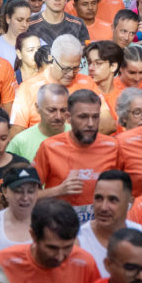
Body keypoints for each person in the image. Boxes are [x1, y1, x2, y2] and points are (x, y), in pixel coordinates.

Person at [35, 89, 120, 222]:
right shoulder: (49, 147)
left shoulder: (113, 146)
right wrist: (58, 190)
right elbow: (28, 195)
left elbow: (128, 192)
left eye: (95, 117)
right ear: (68, 117)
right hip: (60, 227)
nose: (91, 124)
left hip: (100, 228)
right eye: (83, 117)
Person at [76, 171, 142, 276]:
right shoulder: (78, 241)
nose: (103, 207)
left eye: (112, 200)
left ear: (130, 203)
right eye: (99, 198)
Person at [6, 83, 70, 161]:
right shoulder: (21, 142)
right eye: (51, 110)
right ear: (37, 108)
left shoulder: (77, 135)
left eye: (63, 110)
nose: (58, 116)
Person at [0, 0, 32, 67]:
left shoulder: (38, 43)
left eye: (28, 20)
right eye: (19, 20)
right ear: (8, 18)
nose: (24, 25)